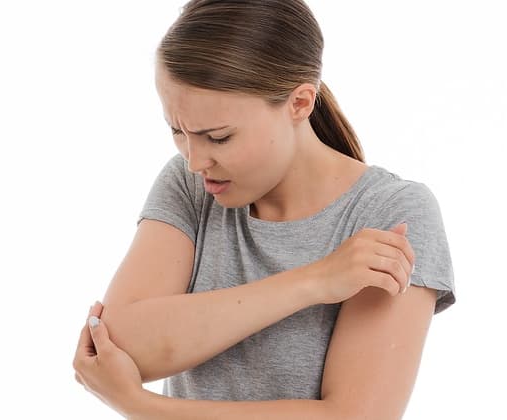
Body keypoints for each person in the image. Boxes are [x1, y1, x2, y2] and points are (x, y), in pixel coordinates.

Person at [72, 0, 456, 418]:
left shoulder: (391, 213)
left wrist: (141, 406)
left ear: (300, 103)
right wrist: (315, 281)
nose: (195, 160)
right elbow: (119, 344)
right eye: (177, 131)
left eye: (218, 137)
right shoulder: (190, 184)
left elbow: (354, 416)